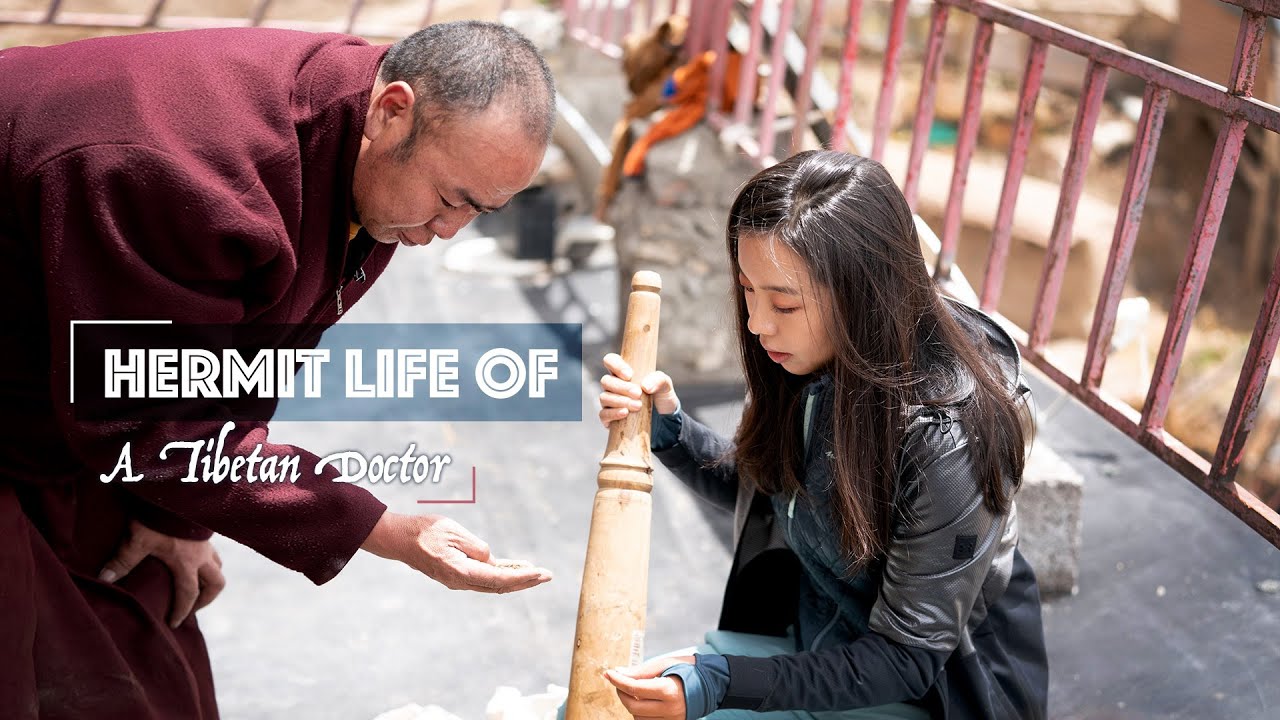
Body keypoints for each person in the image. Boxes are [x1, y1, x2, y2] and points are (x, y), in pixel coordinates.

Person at [0, 20, 555, 719]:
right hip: (77, 403)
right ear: (392, 111)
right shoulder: (185, 173)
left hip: (74, 393)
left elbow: (252, 348)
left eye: (482, 211)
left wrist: (177, 516)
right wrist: (381, 528)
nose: (450, 231)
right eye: (451, 200)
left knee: (154, 640)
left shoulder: (359, 147)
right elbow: (147, 422)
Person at [595, 151, 1049, 719]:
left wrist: (722, 682)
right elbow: (772, 489)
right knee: (594, 707)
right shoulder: (809, 362)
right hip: (820, 652)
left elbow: (907, 657)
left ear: (863, 293)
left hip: (927, 696)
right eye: (747, 292)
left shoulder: (948, 438)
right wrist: (669, 430)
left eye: (783, 302)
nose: (758, 323)